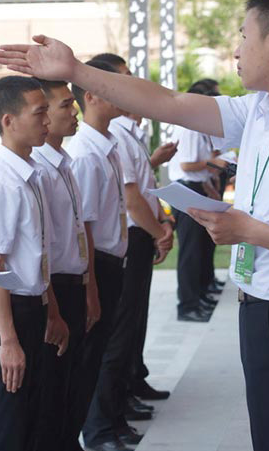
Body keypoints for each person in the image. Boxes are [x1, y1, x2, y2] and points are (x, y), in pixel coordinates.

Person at [0, 0, 269, 451]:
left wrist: (250, 230)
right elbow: (168, 102)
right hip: (266, 315)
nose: (236, 50)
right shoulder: (261, 112)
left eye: (243, 35)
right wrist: (76, 71)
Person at [0, 75, 65, 451]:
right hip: (6, 319)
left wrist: (52, 311)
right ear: (8, 121)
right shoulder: (0, 182)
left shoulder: (30, 174)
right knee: (4, 429)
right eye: (39, 112)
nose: (47, 121)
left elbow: (39, 257)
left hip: (33, 309)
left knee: (33, 425)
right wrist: (8, 341)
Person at [102, 56, 175, 438]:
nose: (132, 87)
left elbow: (138, 182)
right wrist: (158, 228)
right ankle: (111, 409)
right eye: (123, 80)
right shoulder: (110, 135)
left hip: (142, 232)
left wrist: (162, 222)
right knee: (121, 326)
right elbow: (130, 196)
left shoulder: (128, 133)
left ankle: (130, 384)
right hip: (131, 235)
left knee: (135, 319)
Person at [65, 60, 131, 451]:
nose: (123, 92)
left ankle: (110, 421)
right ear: (90, 95)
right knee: (97, 353)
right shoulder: (87, 154)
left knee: (113, 345)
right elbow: (85, 226)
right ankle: (98, 430)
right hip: (99, 263)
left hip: (113, 260)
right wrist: (90, 285)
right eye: (113, 85)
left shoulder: (107, 145)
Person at [31, 78, 100, 451]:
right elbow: (41, 250)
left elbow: (78, 230)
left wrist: (89, 288)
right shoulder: (37, 170)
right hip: (52, 290)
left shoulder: (64, 163)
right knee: (51, 397)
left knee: (72, 387)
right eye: (63, 106)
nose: (73, 112)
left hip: (73, 284)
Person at [167, 82, 232, 323]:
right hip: (186, 189)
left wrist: (209, 185)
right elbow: (187, 165)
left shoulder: (199, 128)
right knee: (191, 251)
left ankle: (200, 294)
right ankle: (188, 304)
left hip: (197, 187)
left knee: (202, 247)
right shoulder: (191, 127)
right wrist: (217, 164)